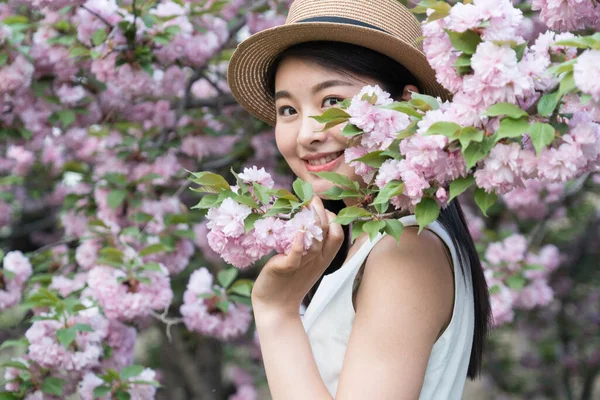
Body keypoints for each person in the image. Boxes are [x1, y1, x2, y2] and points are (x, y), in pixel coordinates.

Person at [227, 0, 492, 398]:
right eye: (287, 109)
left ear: (401, 105)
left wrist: (276, 312)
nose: (306, 134)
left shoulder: (406, 250)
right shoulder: (372, 243)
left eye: (332, 101)